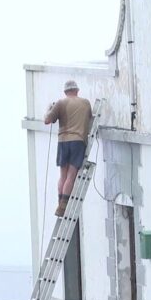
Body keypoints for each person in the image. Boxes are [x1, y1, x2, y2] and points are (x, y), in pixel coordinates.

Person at [44, 80, 93, 217]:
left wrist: (49, 109)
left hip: (63, 142)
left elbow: (47, 120)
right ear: (77, 90)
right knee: (71, 176)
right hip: (78, 141)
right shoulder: (85, 103)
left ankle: (60, 204)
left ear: (65, 92)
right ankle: (64, 206)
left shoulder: (60, 103)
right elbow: (89, 117)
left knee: (63, 176)